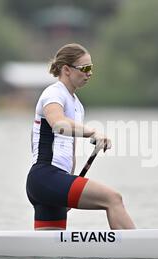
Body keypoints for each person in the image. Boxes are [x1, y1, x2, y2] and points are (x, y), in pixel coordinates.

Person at [26, 43, 136, 231]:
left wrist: (66, 185)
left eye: (91, 68)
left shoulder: (77, 105)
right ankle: (138, 251)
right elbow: (59, 125)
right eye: (84, 68)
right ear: (66, 70)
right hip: (45, 177)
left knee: (51, 254)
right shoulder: (53, 93)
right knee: (113, 199)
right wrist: (92, 132)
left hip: (52, 182)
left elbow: (70, 154)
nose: (89, 73)